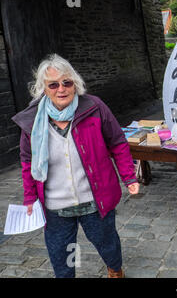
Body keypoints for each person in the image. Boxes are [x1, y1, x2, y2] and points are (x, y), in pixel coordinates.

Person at [11, 53, 140, 278]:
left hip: (94, 199)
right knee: (62, 255)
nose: (61, 89)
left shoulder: (93, 107)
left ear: (75, 83)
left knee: (107, 243)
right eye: (53, 84)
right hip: (55, 206)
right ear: (43, 88)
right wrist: (30, 197)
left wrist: (129, 176)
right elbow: (27, 161)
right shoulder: (33, 120)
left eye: (66, 82)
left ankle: (115, 270)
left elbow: (118, 142)